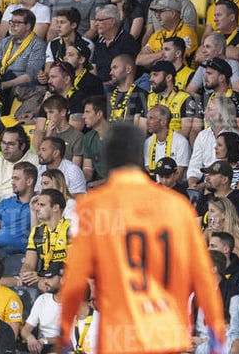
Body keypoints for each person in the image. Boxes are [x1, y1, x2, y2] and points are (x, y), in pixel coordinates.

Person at [57, 123, 224, 352]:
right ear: (139, 155)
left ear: (107, 158)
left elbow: (75, 275)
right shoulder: (176, 204)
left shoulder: (92, 206)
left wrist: (65, 331)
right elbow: (202, 273)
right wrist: (216, 333)